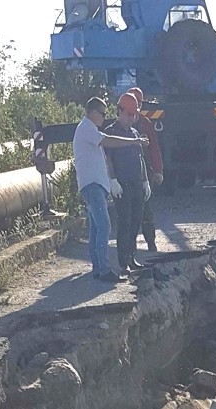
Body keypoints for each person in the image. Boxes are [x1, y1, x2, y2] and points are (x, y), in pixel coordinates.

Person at [73, 96, 146, 282]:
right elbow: (108, 141)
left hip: (95, 185)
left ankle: (98, 268)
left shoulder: (88, 129)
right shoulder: (87, 128)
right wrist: (132, 142)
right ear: (93, 112)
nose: (105, 118)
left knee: (96, 229)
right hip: (93, 185)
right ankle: (104, 270)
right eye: (103, 114)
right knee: (104, 226)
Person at [103, 92, 148, 275]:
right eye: (129, 114)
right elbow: (108, 159)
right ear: (119, 111)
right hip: (122, 185)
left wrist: (145, 180)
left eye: (134, 115)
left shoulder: (134, 133)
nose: (132, 118)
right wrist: (112, 180)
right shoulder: (111, 133)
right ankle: (123, 262)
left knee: (136, 221)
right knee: (125, 222)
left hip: (136, 183)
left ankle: (132, 256)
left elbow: (141, 158)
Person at [125, 88, 163, 252]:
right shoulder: (119, 124)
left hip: (143, 172)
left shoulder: (145, 123)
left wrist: (158, 170)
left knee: (146, 211)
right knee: (129, 214)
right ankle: (130, 249)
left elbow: (154, 147)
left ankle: (151, 243)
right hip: (125, 174)